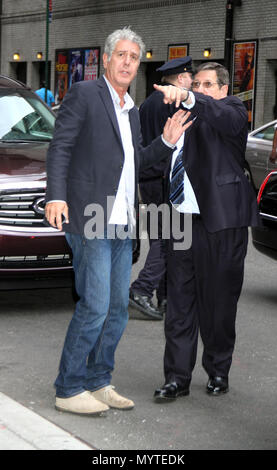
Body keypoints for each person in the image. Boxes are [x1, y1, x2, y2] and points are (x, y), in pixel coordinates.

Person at [45, 26, 192, 416]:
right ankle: (69, 386)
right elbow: (60, 147)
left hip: (122, 220)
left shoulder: (131, 110)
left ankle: (98, 380)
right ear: (107, 59)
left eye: (134, 57)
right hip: (90, 216)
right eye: (121, 55)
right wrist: (56, 196)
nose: (127, 62)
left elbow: (135, 163)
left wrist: (165, 142)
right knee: (94, 305)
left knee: (117, 309)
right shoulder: (86, 94)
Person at [153, 62, 261, 402]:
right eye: (195, 83)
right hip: (179, 219)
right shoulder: (181, 114)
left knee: (218, 303)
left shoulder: (231, 110)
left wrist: (188, 96)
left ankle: (217, 369)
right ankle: (177, 377)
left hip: (222, 221)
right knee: (180, 304)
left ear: (223, 89)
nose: (200, 89)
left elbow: (219, 116)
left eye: (207, 84)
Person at [129, 57, 194, 321]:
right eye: (190, 78)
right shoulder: (174, 102)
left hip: (149, 177)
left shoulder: (147, 103)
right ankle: (142, 289)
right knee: (170, 239)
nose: (192, 83)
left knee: (162, 237)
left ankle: (165, 297)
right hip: (164, 179)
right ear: (180, 79)